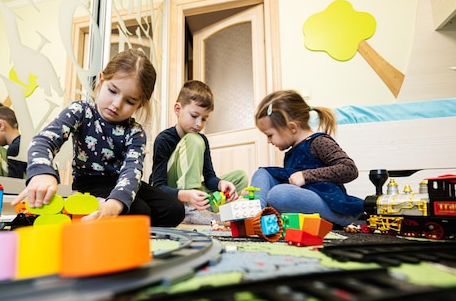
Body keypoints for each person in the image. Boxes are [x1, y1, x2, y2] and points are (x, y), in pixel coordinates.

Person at [13, 49, 185, 227]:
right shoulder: (81, 111)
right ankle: (115, 223)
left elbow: (131, 172)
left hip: (123, 181)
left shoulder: (135, 132)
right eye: (112, 91)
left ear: (139, 104)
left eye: (129, 101)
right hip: (90, 183)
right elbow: (43, 141)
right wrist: (42, 172)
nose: (116, 104)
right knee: (139, 211)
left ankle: (126, 224)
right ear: (101, 80)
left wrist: (115, 203)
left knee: (174, 209)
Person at [250, 90, 363, 227]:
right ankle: (253, 217)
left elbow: (349, 169)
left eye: (270, 135)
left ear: (292, 127)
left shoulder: (319, 141)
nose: (268, 141)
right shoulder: (292, 151)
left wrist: (306, 176)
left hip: (326, 198)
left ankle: (341, 217)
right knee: (262, 173)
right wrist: (258, 195)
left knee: (279, 194)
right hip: (305, 197)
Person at [150, 80, 248, 225]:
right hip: (171, 192)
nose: (199, 124)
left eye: (204, 119)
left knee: (240, 177)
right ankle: (191, 210)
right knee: (193, 140)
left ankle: (202, 207)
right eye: (194, 116)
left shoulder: (202, 140)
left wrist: (221, 184)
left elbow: (210, 177)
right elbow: (158, 186)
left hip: (191, 191)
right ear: (178, 109)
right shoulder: (164, 139)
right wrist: (186, 195)